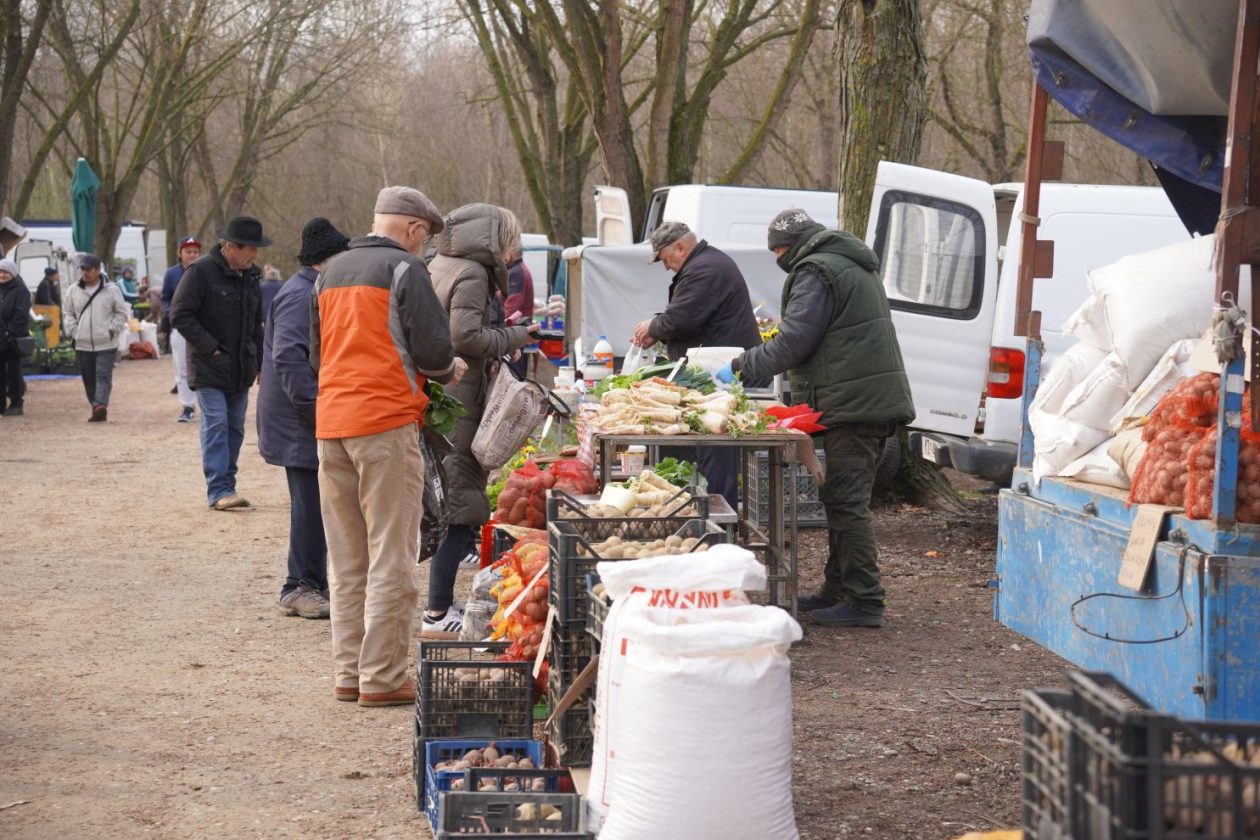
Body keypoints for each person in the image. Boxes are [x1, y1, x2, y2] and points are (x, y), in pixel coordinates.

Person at [722, 209, 915, 628]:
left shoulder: (815, 271)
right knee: (843, 498)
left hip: (854, 401)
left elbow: (793, 341)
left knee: (847, 501)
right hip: (866, 396)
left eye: (776, 251)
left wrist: (738, 366)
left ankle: (864, 600)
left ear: (787, 246)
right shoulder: (846, 263)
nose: (776, 259)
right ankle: (838, 588)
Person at [311, 186, 465, 706]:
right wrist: (449, 370)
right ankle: (383, 678)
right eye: (425, 239)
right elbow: (434, 349)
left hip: (332, 425)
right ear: (415, 230)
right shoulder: (404, 270)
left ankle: (349, 673)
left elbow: (317, 355)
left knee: (347, 557)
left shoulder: (330, 272)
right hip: (385, 424)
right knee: (392, 555)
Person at [426, 203, 540, 639]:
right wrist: (517, 336)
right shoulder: (473, 274)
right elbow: (465, 337)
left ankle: (439, 603)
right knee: (461, 502)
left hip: (449, 396)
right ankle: (437, 610)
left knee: (456, 496)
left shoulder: (444, 262)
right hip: (461, 397)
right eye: (511, 244)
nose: (512, 254)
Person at [630, 221, 764, 510]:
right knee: (712, 446)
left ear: (680, 247)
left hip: (722, 377)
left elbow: (682, 317)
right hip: (715, 375)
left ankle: (720, 519)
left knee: (718, 447)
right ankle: (715, 512)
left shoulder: (705, 269)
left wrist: (653, 326)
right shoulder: (706, 263)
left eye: (666, 259)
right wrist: (657, 329)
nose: (666, 267)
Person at [257, 218, 350, 621]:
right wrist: (317, 410)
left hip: (301, 416)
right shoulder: (299, 296)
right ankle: (299, 587)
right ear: (325, 261)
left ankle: (309, 582)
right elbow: (289, 359)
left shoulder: (307, 290)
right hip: (299, 420)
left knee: (313, 504)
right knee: (310, 506)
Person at [170, 217, 268, 511]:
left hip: (241, 369)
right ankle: (218, 490)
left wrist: (260, 361)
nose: (255, 256)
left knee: (235, 428)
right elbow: (180, 315)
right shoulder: (200, 272)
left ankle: (228, 484)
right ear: (230, 247)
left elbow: (256, 324)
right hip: (209, 368)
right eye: (250, 249)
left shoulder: (252, 276)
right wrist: (210, 347)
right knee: (217, 424)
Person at [61, 254, 131, 422]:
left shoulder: (112, 289)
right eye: (82, 269)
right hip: (82, 343)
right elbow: (67, 313)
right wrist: (74, 331)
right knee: (88, 377)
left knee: (102, 375)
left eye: (89, 269)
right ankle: (95, 405)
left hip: (106, 342)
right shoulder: (73, 290)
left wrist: (112, 330)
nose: (85, 273)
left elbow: (121, 313)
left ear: (98, 270)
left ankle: (100, 405)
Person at [163, 236, 202, 422]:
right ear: (180, 253)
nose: (192, 255)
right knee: (182, 366)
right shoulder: (172, 274)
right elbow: (165, 298)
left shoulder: (206, 271)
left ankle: (205, 401)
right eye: (188, 251)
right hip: (180, 325)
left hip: (203, 325)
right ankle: (187, 405)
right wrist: (172, 313)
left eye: (195, 251)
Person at [0, 259, 31, 416]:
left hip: (14, 338)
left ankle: (16, 403)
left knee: (13, 371)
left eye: (5, 272)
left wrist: (9, 332)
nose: (2, 275)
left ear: (12, 273)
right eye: (0, 272)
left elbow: (21, 314)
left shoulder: (20, 289)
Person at [503, 247, 535, 378]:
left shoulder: (517, 272)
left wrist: (497, 324)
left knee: (513, 380)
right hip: (517, 335)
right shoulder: (519, 269)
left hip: (514, 337)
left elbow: (511, 307)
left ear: (512, 250)